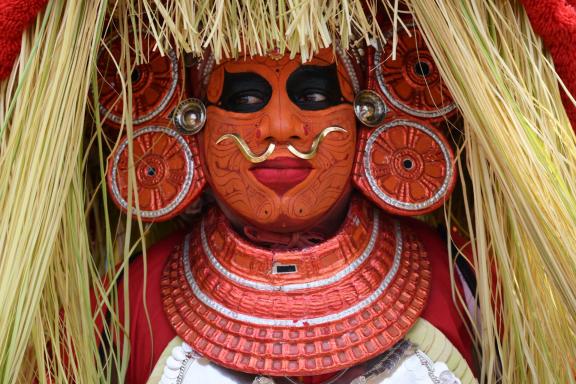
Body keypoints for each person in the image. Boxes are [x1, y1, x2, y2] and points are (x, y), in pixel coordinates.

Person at [1, 1, 575, 383]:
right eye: (246, 99)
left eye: (315, 93)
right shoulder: (131, 302)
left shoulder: (462, 281)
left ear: (367, 115)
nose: (280, 127)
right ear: (192, 122)